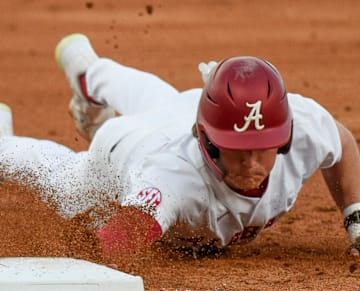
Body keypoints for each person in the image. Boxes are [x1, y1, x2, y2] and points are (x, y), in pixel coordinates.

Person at [1, 33, 360, 258]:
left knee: (160, 100)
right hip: (125, 149)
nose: (252, 161)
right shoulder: (172, 177)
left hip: (178, 110)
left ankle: (89, 71)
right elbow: (124, 233)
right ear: (206, 138)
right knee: (67, 185)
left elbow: (342, 144)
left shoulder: (302, 124)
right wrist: (95, 242)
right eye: (238, 148)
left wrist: (355, 221)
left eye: (263, 145)